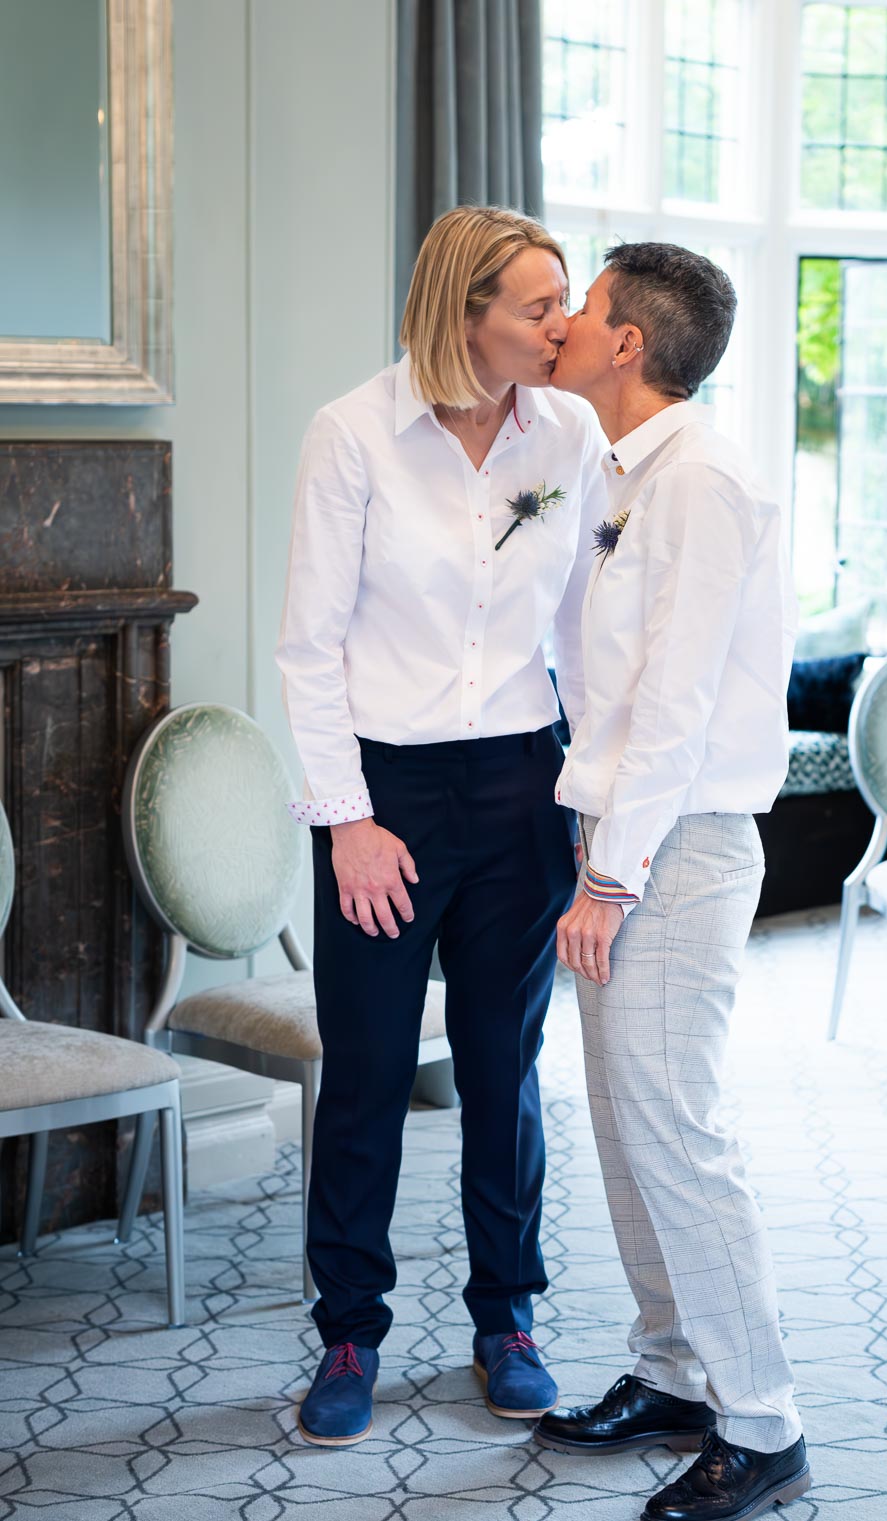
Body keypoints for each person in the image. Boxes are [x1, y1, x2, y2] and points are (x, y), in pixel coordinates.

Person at [275, 206, 607, 1447]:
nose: (562, 325)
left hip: (522, 784)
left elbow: (581, 629)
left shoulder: (568, 429)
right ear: (463, 312)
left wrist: (587, 795)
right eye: (537, 304)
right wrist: (348, 823)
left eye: (567, 300)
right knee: (363, 1071)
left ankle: (506, 1316)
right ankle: (351, 1330)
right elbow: (307, 649)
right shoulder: (353, 433)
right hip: (388, 800)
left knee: (501, 1068)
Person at [534, 242, 809, 1521]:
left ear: (629, 343)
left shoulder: (701, 481)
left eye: (579, 310)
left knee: (678, 1134)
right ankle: (672, 1372)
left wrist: (608, 873)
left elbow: (679, 700)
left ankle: (763, 1424)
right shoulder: (620, 467)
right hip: (625, 828)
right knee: (627, 1127)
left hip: (678, 846)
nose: (563, 326)